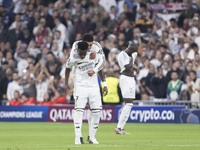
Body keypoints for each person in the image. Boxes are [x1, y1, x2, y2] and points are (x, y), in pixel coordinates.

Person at [69, 33, 108, 141]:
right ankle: (78, 136)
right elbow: (73, 59)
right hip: (80, 84)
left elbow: (102, 63)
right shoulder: (76, 45)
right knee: (79, 110)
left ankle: (92, 137)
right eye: (88, 45)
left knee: (97, 111)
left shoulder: (97, 46)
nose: (90, 47)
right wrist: (88, 56)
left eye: (91, 45)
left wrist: (104, 83)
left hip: (94, 85)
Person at [114, 42, 139, 135]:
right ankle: (119, 127)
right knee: (128, 103)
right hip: (125, 78)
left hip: (131, 79)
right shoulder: (122, 55)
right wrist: (134, 66)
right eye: (130, 49)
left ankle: (120, 128)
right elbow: (128, 67)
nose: (131, 51)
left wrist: (135, 67)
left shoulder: (133, 54)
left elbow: (132, 65)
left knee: (130, 104)